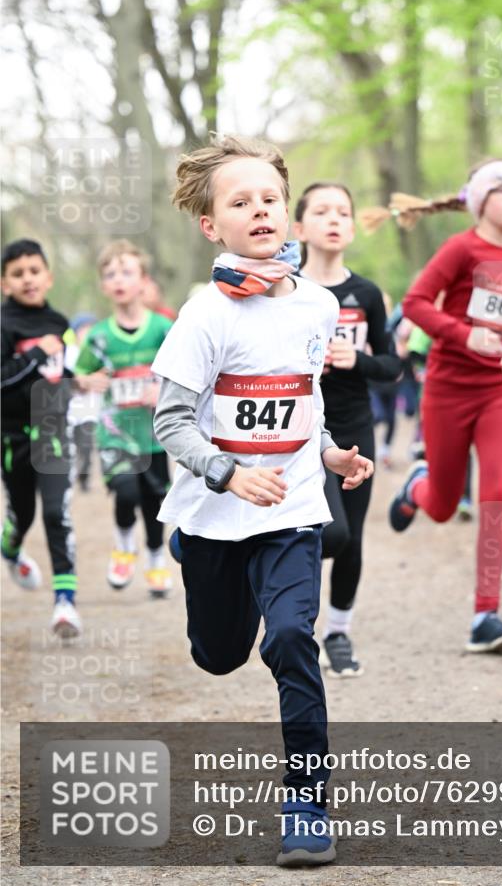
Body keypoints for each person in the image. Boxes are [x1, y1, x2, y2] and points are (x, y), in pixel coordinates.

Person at [152, 135, 373, 866]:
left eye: (269, 198)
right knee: (218, 656)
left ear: (287, 212)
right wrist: (225, 473)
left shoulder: (317, 305)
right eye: (239, 201)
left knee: (288, 640)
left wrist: (330, 453)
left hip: (291, 510)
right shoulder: (204, 315)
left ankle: (307, 801)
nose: (259, 210)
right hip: (216, 509)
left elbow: (303, 399)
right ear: (211, 225)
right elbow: (170, 424)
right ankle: (188, 546)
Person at [386, 161, 502, 652]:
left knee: (497, 490)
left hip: (498, 389)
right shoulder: (461, 248)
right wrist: (463, 333)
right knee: (442, 506)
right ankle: (418, 486)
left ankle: (485, 614)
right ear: (478, 200)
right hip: (448, 389)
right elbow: (415, 303)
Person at [294, 182, 401, 676]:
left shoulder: (366, 294)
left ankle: (337, 633)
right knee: (328, 533)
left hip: (354, 423)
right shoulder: (286, 290)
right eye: (322, 211)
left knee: (351, 536)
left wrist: (356, 358)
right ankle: (295, 622)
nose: (334, 219)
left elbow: (392, 367)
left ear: (353, 228)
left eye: (342, 212)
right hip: (300, 426)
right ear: (299, 228)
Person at [75, 241, 174, 597]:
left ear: (143, 280)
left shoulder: (163, 328)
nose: (118, 280)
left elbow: (185, 373)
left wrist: (162, 391)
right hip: (116, 433)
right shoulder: (99, 336)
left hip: (154, 435)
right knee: (126, 490)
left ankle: (156, 559)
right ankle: (123, 546)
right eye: (110, 274)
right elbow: (79, 375)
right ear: (103, 285)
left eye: (127, 272)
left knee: (154, 501)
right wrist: (87, 381)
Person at [1, 239, 81, 637]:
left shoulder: (60, 323)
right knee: (24, 515)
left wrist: (80, 381)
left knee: (55, 514)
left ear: (48, 277)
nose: (27, 279)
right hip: (13, 439)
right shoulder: (3, 323)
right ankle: (10, 547)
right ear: (5, 284)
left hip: (53, 435)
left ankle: (65, 603)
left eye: (34, 271)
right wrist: (34, 355)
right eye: (18, 274)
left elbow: (61, 374)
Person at [68, 313, 100, 492]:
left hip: (89, 411)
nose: (87, 333)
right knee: (69, 447)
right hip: (69, 410)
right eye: (84, 330)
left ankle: (84, 477)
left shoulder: (98, 353)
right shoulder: (69, 353)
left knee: (86, 447)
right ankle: (68, 478)